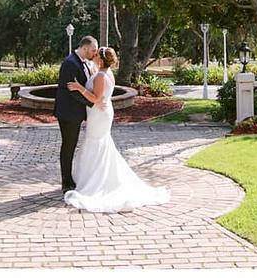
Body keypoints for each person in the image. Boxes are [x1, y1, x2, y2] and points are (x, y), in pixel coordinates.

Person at [63, 46, 170, 212]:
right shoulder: (106, 73)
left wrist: (79, 87)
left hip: (99, 114)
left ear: (101, 59)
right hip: (101, 113)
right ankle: (98, 177)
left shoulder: (100, 76)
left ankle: (98, 182)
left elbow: (96, 99)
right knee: (100, 144)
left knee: (96, 144)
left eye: (96, 55)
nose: (94, 56)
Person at [54, 35, 103, 194]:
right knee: (68, 146)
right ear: (85, 48)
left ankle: (69, 179)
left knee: (71, 145)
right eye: (93, 50)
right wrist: (93, 102)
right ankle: (66, 181)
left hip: (75, 112)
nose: (95, 53)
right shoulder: (70, 63)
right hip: (68, 112)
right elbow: (71, 90)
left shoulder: (82, 62)